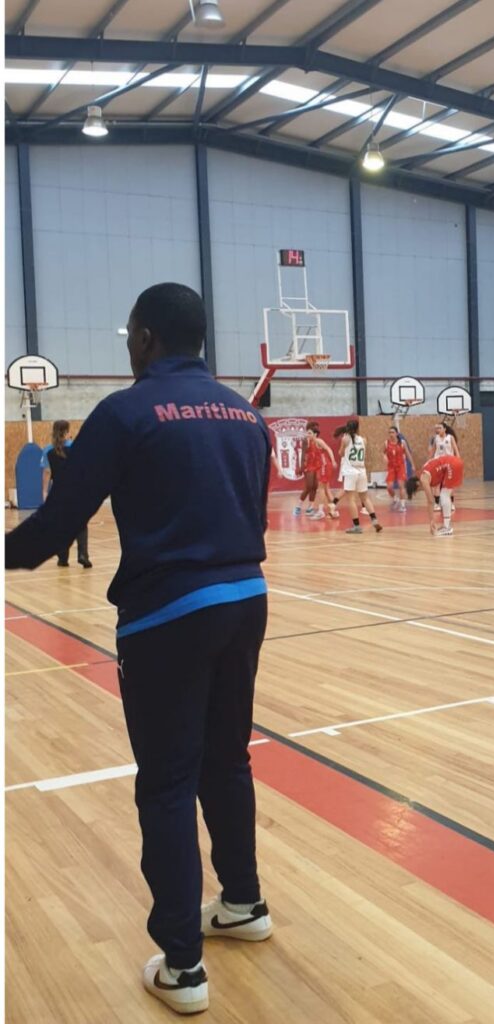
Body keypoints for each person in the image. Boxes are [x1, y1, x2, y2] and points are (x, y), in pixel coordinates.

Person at [6, 283, 274, 1015]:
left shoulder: (125, 412)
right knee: (227, 760)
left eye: (130, 336)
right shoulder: (247, 416)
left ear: (147, 338)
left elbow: (59, 523)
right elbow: (253, 516)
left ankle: (183, 968)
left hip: (168, 615)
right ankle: (244, 904)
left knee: (165, 782)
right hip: (246, 600)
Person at [41, 419, 92, 568]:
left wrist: (44, 492)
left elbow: (47, 472)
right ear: (67, 432)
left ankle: (63, 558)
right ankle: (83, 554)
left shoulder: (47, 450)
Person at [335, 419, 382, 534]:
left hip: (350, 471)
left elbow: (340, 453)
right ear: (357, 428)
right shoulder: (363, 440)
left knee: (351, 499)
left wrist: (343, 449)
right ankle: (374, 520)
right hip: (361, 470)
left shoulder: (345, 439)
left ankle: (356, 526)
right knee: (365, 498)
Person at [406, 453, 464, 536]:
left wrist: (431, 521)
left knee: (444, 496)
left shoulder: (424, 478)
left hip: (452, 465)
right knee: (444, 495)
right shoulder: (425, 472)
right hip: (453, 462)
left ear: (417, 484)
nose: (421, 490)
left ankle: (447, 527)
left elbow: (430, 501)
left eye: (418, 490)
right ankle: (446, 526)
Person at [383, 426, 409, 511]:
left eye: (393, 432)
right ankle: (395, 498)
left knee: (401, 485)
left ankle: (402, 505)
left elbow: (408, 454)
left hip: (400, 466)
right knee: (389, 487)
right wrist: (384, 457)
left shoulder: (402, 443)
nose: (391, 434)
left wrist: (412, 465)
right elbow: (383, 452)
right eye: (389, 432)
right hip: (391, 467)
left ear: (397, 433)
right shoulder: (386, 443)